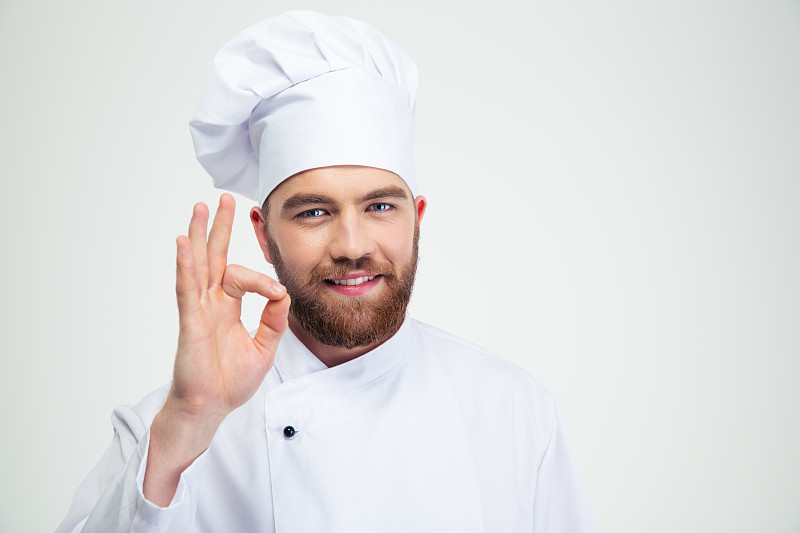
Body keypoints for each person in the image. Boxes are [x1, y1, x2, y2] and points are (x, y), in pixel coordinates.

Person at [57, 10, 596, 533]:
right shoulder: (170, 425)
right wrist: (186, 425)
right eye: (314, 212)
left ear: (417, 219)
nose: (353, 246)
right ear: (264, 236)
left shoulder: (514, 412)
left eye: (380, 206)